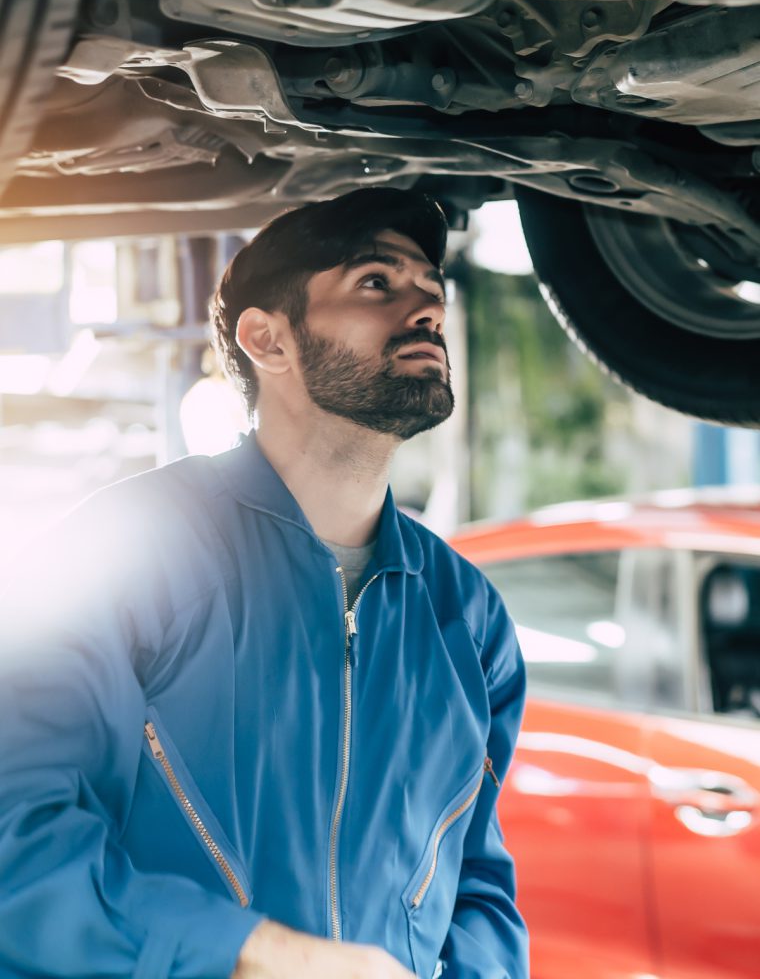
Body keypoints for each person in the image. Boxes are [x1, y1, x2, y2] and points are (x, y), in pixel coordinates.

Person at [0, 187, 528, 979]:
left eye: (431, 287)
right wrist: (249, 957)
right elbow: (18, 845)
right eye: (377, 284)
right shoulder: (120, 552)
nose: (425, 309)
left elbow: (476, 883)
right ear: (267, 339)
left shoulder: (468, 615)